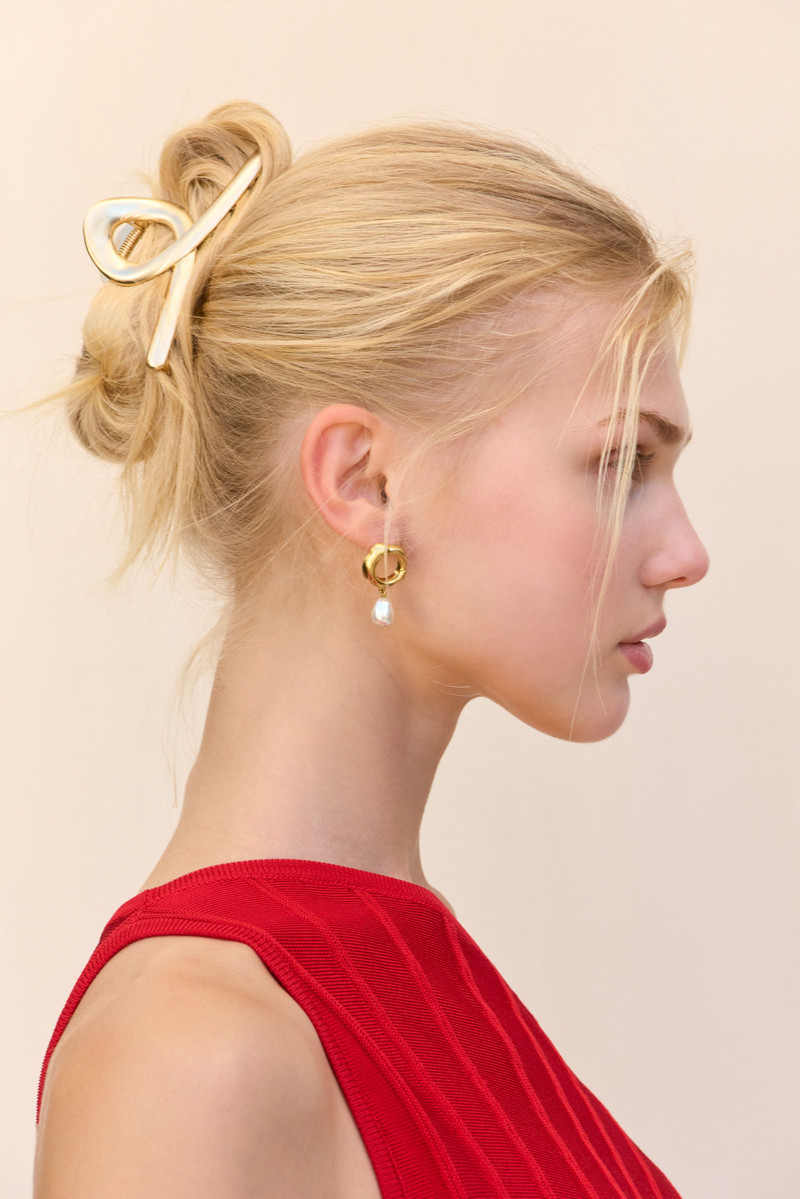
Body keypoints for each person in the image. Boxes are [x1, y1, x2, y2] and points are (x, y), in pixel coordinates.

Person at [33, 100, 708, 1199]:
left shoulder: (405, 970)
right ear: (364, 481)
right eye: (620, 462)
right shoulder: (191, 1057)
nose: (685, 554)